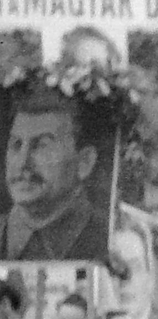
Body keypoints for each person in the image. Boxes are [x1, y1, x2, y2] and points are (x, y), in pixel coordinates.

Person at [1, 89, 103, 262]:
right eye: (16, 145)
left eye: (41, 146)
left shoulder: (113, 240)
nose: (22, 163)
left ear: (84, 162)